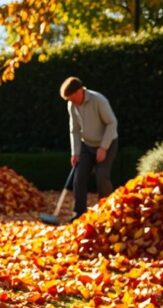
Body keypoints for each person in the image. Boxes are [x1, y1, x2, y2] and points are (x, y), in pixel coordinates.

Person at [60, 77, 118, 220]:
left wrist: (103, 147)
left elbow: (112, 123)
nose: (71, 102)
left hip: (107, 143)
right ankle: (79, 213)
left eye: (72, 98)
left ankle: (106, 213)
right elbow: (74, 130)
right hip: (86, 145)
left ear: (80, 91)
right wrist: (75, 152)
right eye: (68, 99)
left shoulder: (99, 100)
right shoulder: (71, 105)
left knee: (102, 177)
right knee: (79, 178)